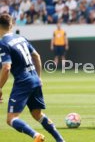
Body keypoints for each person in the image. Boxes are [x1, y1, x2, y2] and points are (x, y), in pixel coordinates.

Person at [0, 14, 65, 142]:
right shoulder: (21, 38)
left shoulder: (3, 43)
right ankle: (60, 140)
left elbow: (6, 68)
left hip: (23, 81)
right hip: (34, 78)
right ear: (11, 25)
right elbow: (37, 56)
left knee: (11, 118)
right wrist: (39, 77)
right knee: (37, 114)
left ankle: (36, 136)